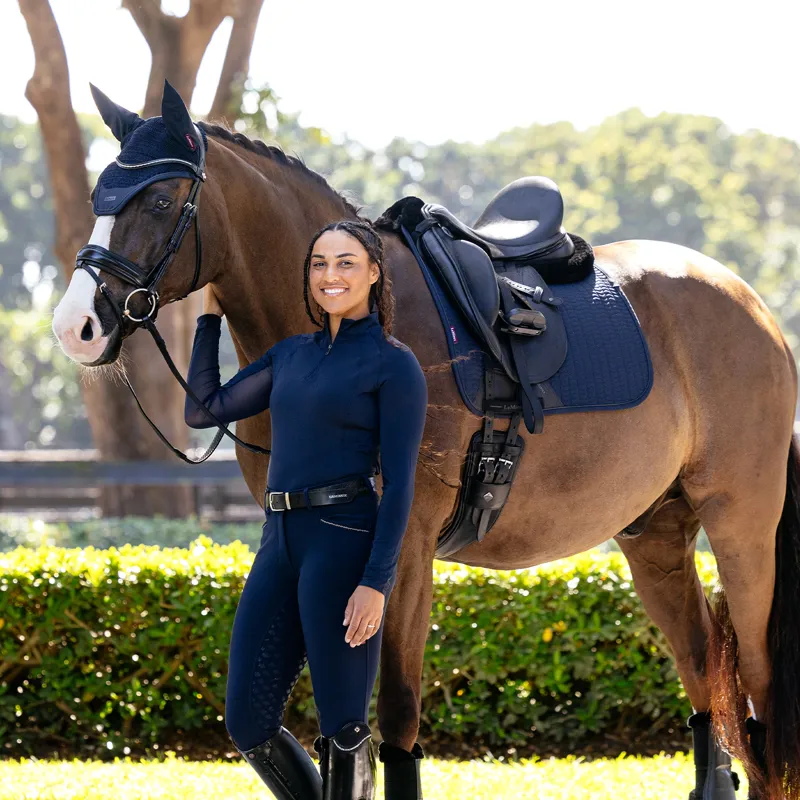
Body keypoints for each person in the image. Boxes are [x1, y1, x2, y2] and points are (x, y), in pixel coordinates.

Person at [184, 219, 429, 800]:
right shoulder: (290, 354)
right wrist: (208, 320)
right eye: (319, 263)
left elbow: (400, 486)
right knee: (247, 720)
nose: (330, 275)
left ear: (374, 273)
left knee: (344, 728)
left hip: (344, 540)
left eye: (346, 263)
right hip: (280, 540)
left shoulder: (394, 365)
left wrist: (376, 583)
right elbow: (203, 409)